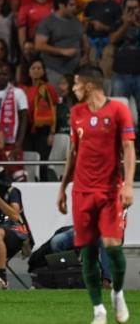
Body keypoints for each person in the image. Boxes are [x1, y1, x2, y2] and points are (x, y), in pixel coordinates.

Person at [56, 66, 134, 324]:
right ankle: (98, 309)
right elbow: (73, 154)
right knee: (87, 252)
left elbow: (128, 149)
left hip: (111, 190)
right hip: (82, 191)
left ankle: (117, 292)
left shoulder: (119, 110)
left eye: (76, 84)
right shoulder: (76, 113)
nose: (72, 88)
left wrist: (128, 185)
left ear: (88, 85)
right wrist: (63, 188)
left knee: (113, 246)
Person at [35, 0, 89, 87]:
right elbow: (39, 45)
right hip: (54, 70)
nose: (74, 8)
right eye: (71, 5)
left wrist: (85, 55)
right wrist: (62, 51)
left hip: (75, 72)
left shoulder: (76, 21)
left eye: (75, 5)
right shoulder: (48, 22)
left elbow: (83, 40)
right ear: (61, 5)